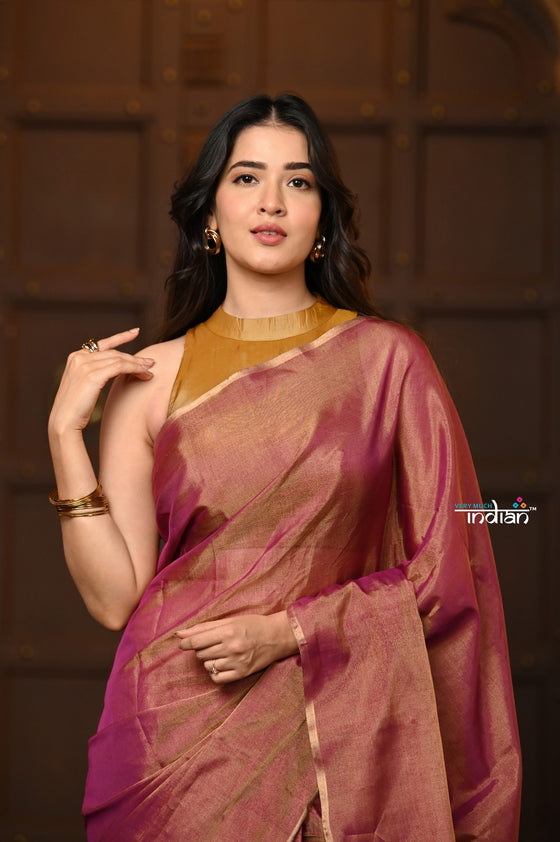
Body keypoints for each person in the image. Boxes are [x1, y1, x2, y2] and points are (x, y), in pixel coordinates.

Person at [48, 94, 521, 841]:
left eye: (298, 181)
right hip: (170, 732)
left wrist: (290, 631)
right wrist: (64, 435)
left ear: (323, 219)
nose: (271, 200)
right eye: (246, 178)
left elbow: (449, 557)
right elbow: (115, 601)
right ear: (210, 213)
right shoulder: (150, 379)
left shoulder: (387, 361)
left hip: (335, 733)